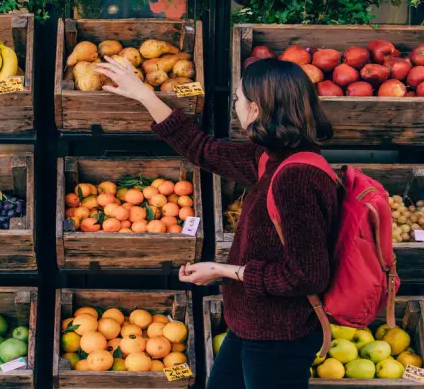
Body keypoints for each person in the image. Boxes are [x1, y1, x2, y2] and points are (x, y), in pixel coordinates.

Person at [96, 56, 338, 389]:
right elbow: (203, 150)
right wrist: (144, 95)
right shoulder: (272, 157)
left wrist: (223, 270)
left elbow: (306, 276)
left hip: (278, 338)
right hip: (252, 326)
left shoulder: (296, 178)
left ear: (255, 109)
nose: (235, 106)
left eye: (237, 99)